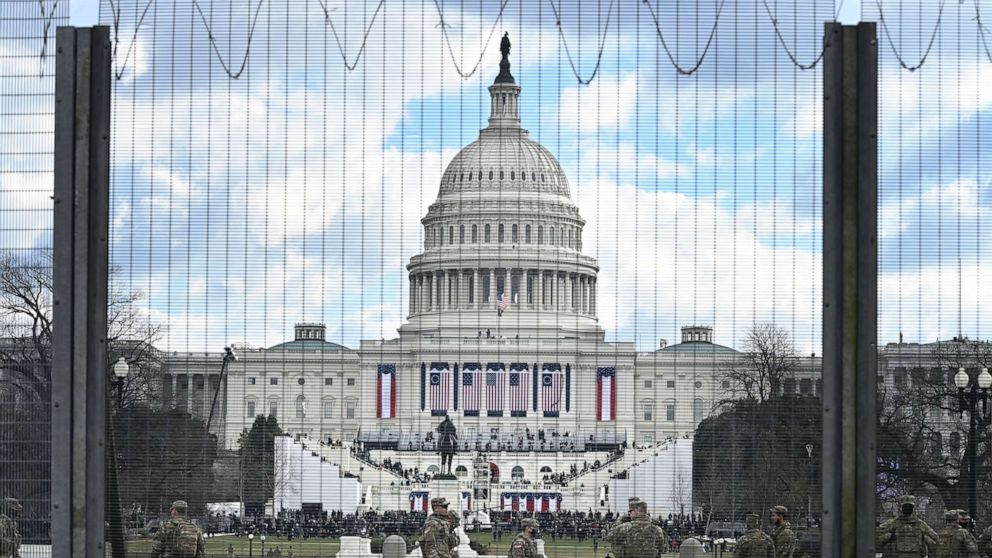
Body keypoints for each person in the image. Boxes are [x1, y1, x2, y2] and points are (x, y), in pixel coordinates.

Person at [605, 500, 669, 558]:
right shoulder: (657, 529)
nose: (629, 514)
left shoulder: (624, 527)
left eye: (631, 511)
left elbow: (609, 538)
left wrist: (619, 520)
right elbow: (663, 549)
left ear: (636, 512)